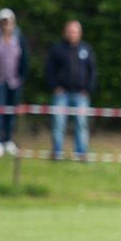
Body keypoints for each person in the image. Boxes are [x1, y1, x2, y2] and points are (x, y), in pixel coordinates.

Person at [45, 20, 96, 160]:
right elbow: (50, 70)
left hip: (81, 95)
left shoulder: (86, 49)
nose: (73, 34)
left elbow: (92, 71)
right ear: (65, 32)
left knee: (81, 124)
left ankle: (81, 153)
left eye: (75, 31)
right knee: (59, 123)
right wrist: (55, 86)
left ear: (80, 33)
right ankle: (57, 152)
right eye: (70, 31)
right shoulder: (57, 49)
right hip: (62, 94)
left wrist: (88, 89)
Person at [0, 8, 29, 157]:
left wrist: (22, 76)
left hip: (14, 82)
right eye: (3, 22)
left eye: (8, 22)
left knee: (11, 112)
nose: (6, 25)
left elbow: (24, 59)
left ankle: (8, 140)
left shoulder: (19, 38)